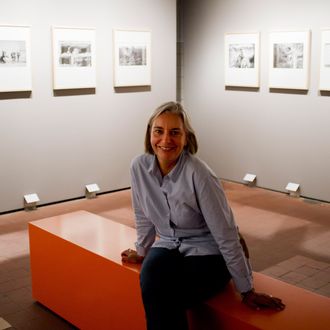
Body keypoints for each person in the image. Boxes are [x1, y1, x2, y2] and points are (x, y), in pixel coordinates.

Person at [122, 101, 285, 330]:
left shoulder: (199, 174)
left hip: (209, 249)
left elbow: (225, 234)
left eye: (175, 132)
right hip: (169, 244)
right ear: (149, 134)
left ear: (186, 138)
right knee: (149, 278)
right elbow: (143, 214)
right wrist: (142, 250)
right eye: (159, 131)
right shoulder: (138, 167)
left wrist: (246, 289)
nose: (166, 140)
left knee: (170, 294)